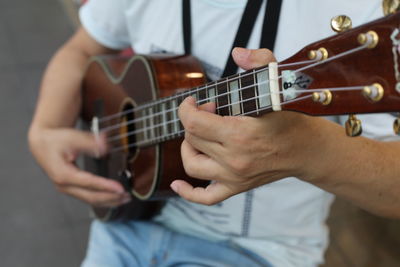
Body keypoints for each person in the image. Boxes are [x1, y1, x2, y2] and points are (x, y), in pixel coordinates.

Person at [27, 0, 400, 266]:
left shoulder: (357, 11)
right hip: (128, 219)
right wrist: (45, 128)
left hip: (257, 251)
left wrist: (311, 151)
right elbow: (80, 50)